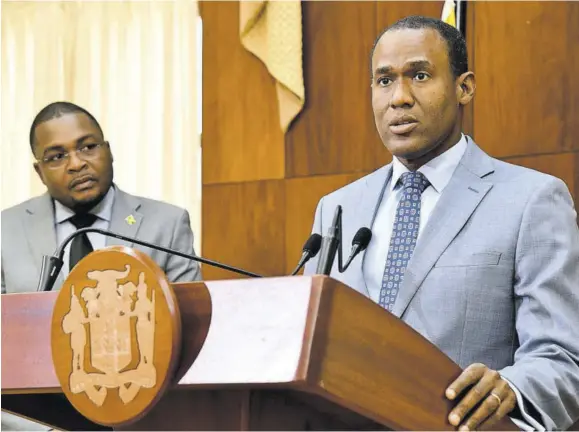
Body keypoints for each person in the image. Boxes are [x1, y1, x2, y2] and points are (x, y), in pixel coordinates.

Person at [304, 16, 579, 431]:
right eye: (384, 81)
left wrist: (509, 388)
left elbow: (562, 357)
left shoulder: (531, 200)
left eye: (419, 75)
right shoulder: (337, 208)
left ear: (463, 87)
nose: (399, 98)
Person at [1, 101, 202, 293]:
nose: (76, 164)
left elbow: (191, 320)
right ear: (40, 173)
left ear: (109, 151)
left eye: (88, 147)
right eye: (57, 157)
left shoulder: (167, 225)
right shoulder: (6, 230)